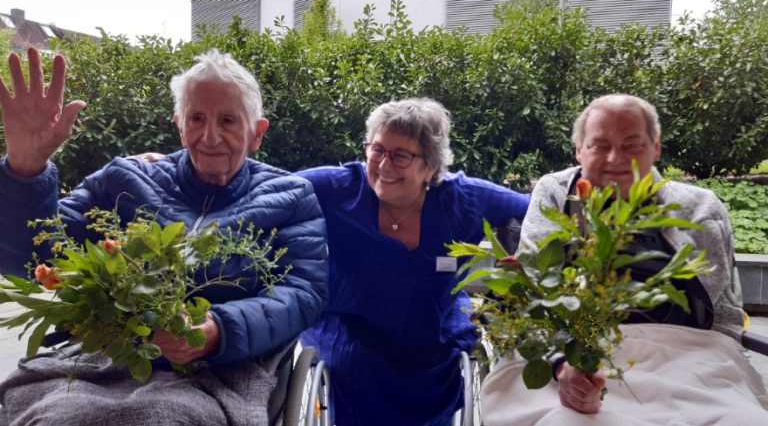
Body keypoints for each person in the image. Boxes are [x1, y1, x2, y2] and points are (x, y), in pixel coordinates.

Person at [0, 47, 328, 426]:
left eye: (227, 120)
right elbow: (34, 257)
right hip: (105, 361)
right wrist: (25, 169)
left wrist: (218, 329)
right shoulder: (124, 180)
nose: (210, 136)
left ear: (257, 133)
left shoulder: (291, 197)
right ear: (179, 125)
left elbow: (304, 292)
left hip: (218, 373)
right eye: (197, 118)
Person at [480, 94, 768, 426]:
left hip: (688, 360)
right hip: (576, 356)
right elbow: (533, 294)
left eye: (632, 145)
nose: (616, 159)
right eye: (599, 146)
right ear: (579, 150)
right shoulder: (559, 195)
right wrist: (564, 361)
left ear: (655, 148)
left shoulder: (700, 208)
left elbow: (724, 315)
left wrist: (720, 370)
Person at [296, 98, 530, 426]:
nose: (384, 164)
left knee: (440, 364)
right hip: (350, 324)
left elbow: (539, 208)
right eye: (377, 150)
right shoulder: (340, 188)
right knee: (357, 364)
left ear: (430, 167)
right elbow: (271, 192)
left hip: (432, 327)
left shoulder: (463, 200)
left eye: (400, 155)